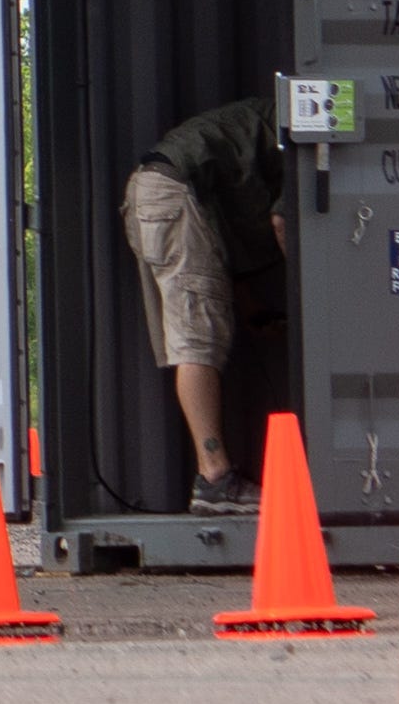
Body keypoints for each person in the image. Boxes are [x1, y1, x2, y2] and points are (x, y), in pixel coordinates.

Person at [122, 93, 285, 513]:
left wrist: (251, 309)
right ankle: (214, 478)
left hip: (156, 190)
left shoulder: (267, 122)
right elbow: (284, 222)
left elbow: (221, 245)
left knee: (196, 327)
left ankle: (215, 476)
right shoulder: (302, 126)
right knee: (196, 338)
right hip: (174, 193)